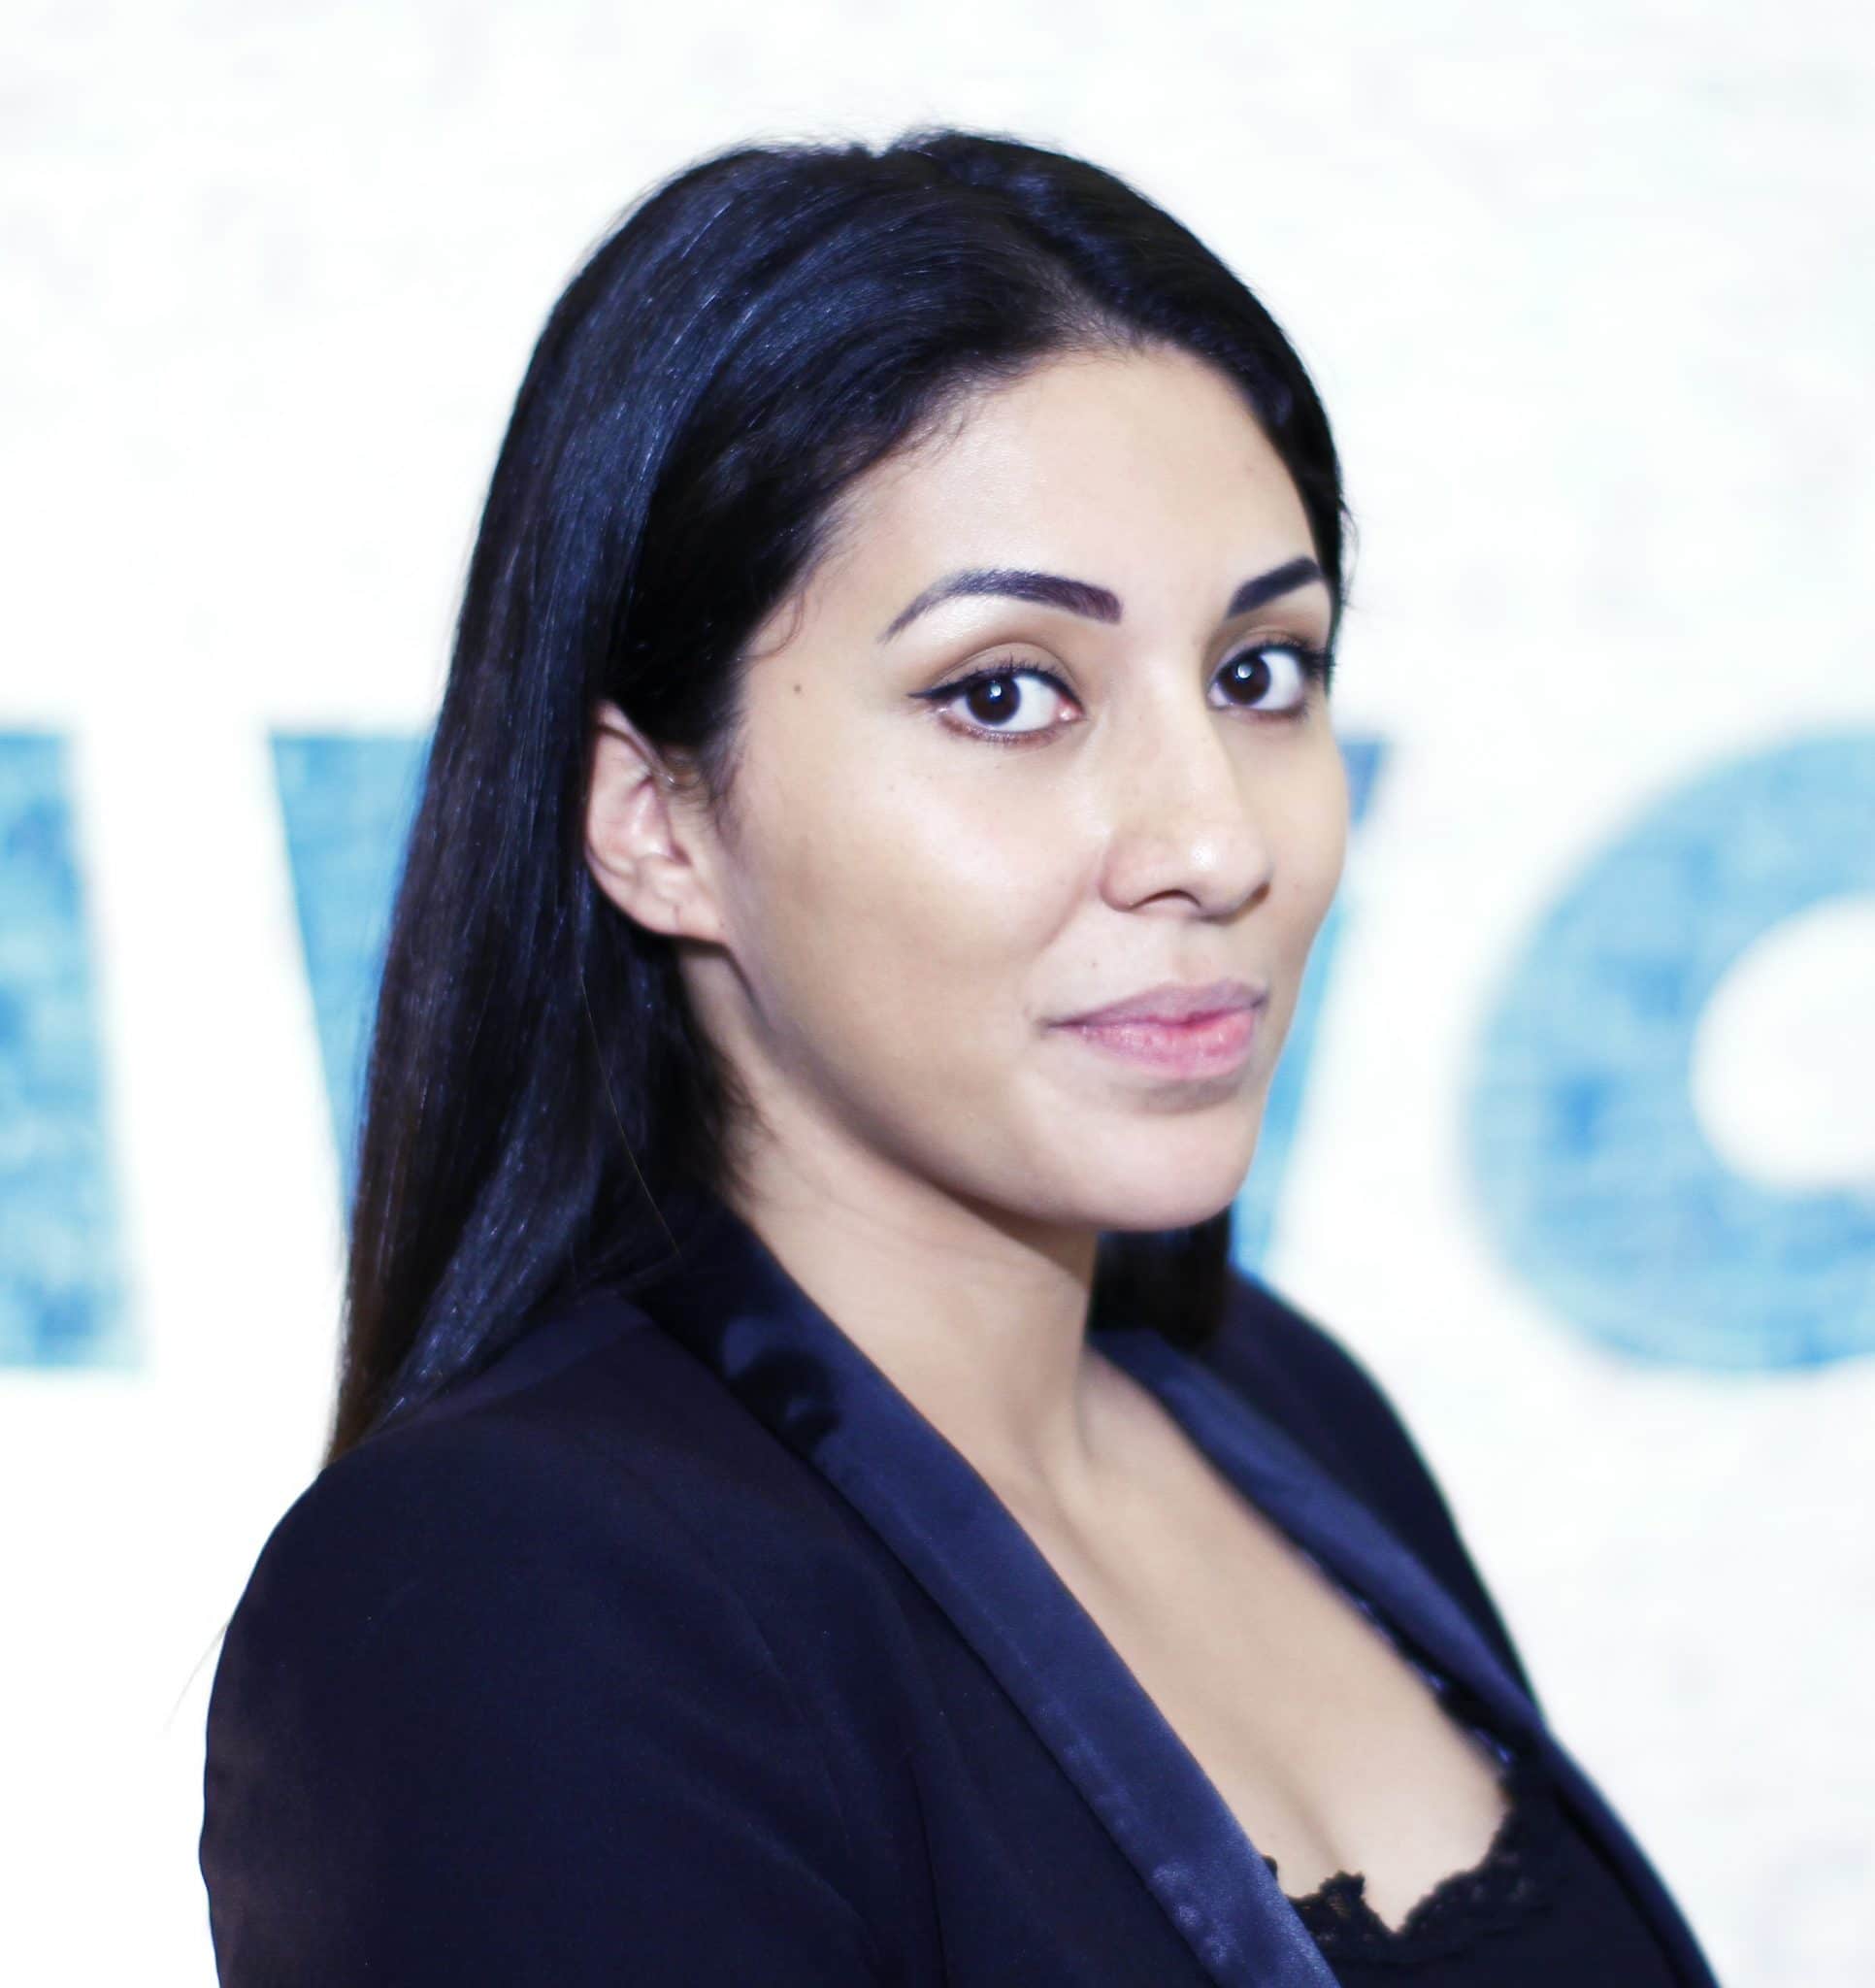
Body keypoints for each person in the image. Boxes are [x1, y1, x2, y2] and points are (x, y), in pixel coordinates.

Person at [198, 128, 1721, 1985]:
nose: (1215, 840)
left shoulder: (1286, 1407)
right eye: (1005, 693)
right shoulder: (502, 1599)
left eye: (1261, 671)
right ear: (654, 819)